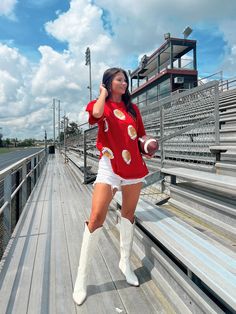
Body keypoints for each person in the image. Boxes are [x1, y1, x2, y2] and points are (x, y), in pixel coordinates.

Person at [73, 67, 150, 305]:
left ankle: (124, 262)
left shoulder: (133, 109)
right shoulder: (101, 104)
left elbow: (140, 136)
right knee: (96, 217)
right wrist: (103, 94)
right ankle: (82, 277)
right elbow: (95, 114)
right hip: (109, 165)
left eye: (125, 80)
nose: (125, 83)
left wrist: (148, 144)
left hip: (133, 167)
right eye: (119, 80)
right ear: (108, 83)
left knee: (128, 215)